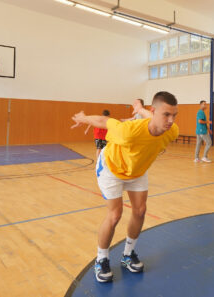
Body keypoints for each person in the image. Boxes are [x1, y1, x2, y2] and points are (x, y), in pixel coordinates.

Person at [71, 91, 179, 283]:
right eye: (166, 115)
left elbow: (152, 117)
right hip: (112, 168)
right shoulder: (129, 131)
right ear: (154, 111)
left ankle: (128, 254)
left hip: (137, 170)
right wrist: (83, 117)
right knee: (115, 215)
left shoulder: (172, 131)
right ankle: (102, 258)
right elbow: (105, 121)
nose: (171, 120)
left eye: (174, 115)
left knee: (140, 210)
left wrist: (140, 109)